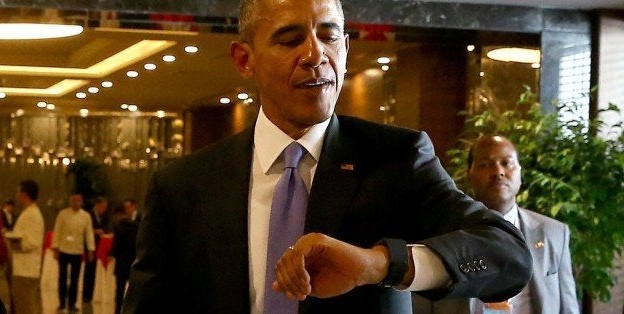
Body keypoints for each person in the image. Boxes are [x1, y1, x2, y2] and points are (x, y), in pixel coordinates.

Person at [122, 0, 532, 313]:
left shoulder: (395, 159)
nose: (316, 54)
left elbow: (508, 255)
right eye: (290, 39)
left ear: (347, 48)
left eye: (330, 35)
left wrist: (379, 264)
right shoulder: (184, 185)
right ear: (244, 59)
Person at [418, 135, 578, 313]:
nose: (498, 171)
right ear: (469, 173)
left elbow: (568, 306)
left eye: (507, 163)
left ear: (519, 172)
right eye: (486, 164)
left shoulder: (554, 233)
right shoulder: (440, 234)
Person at [52, 193, 95, 313]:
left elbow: (89, 234)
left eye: (78, 201)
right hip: (63, 250)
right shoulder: (63, 214)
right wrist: (55, 248)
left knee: (75, 279)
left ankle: (72, 303)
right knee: (62, 277)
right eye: (73, 200)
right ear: (70, 201)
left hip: (77, 251)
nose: (76, 203)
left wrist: (91, 250)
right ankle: (61, 303)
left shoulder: (86, 216)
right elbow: (57, 230)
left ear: (81, 202)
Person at [6, 179, 44, 314]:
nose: (17, 195)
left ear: (24, 194)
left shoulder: (33, 215)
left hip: (26, 271)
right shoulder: (28, 213)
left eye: (18, 192)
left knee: (25, 307)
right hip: (22, 269)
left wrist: (13, 242)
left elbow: (32, 242)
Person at [111, 199, 140, 314]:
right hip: (133, 260)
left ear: (119, 215)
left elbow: (116, 245)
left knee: (119, 288)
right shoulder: (136, 226)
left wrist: (113, 253)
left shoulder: (119, 227)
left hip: (121, 261)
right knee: (132, 288)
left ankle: (118, 310)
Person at [82, 197, 110, 304]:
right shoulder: (88, 215)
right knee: (89, 270)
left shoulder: (105, 217)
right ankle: (86, 295)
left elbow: (107, 228)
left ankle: (93, 293)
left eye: (105, 207)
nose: (104, 209)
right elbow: (84, 231)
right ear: (97, 205)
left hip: (101, 246)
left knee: (95, 271)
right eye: (102, 207)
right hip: (90, 246)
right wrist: (94, 231)